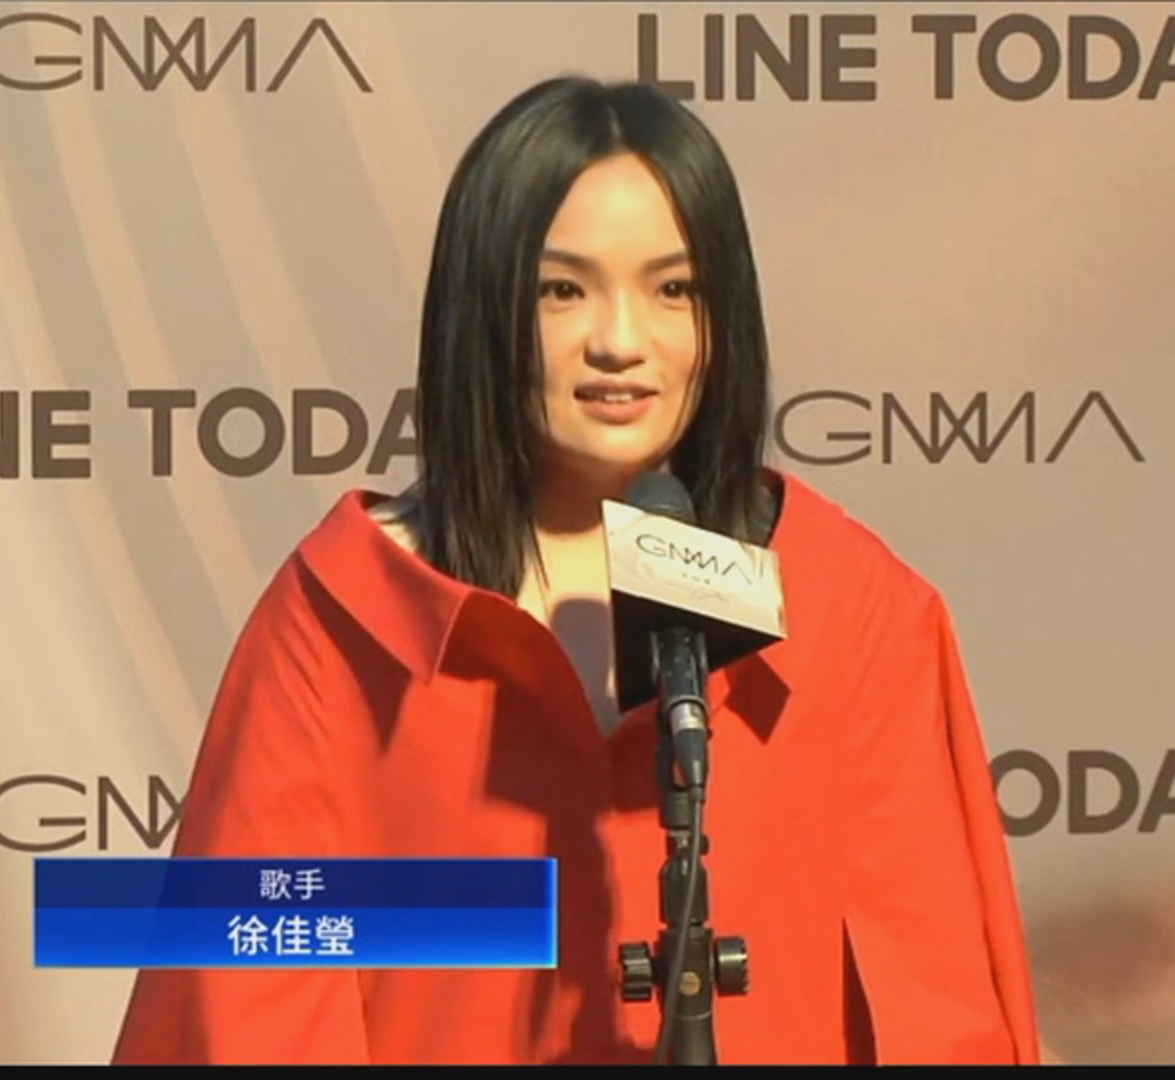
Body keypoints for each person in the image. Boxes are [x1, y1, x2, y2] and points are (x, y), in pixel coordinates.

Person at [111, 75, 1040, 1066]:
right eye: (562, 290)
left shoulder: (848, 609)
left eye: (674, 290)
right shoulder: (346, 626)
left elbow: (943, 1018)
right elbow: (248, 1015)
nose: (620, 342)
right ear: (482, 310)